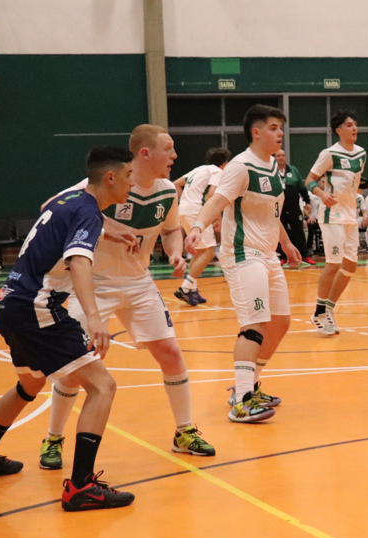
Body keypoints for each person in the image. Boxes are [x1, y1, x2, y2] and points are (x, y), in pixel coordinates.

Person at [0, 146, 137, 512]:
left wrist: (109, 235)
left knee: (30, 382)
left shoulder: (70, 199)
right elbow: (77, 261)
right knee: (103, 386)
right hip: (37, 307)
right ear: (110, 177)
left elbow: (58, 226)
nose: (131, 183)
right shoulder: (89, 212)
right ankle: (81, 486)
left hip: (9, 303)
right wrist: (92, 316)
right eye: (128, 176)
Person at [39, 125, 214, 467]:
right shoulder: (109, 182)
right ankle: (53, 438)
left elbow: (170, 230)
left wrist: (176, 253)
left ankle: (184, 431)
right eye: (169, 149)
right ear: (144, 154)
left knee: (171, 354)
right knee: (76, 366)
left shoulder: (166, 191)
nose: (175, 156)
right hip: (93, 284)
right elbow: (51, 207)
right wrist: (110, 229)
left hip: (138, 282)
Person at [185, 104, 302, 422]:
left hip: (268, 255)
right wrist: (198, 226)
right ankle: (241, 399)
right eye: (274, 127)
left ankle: (250, 384)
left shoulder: (274, 167)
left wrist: (287, 243)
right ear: (256, 132)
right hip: (242, 255)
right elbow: (217, 201)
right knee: (254, 325)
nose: (280, 133)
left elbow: (271, 213)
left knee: (280, 323)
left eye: (281, 128)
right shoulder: (240, 167)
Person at [305, 111, 368, 335]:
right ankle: (318, 311)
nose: (354, 128)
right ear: (338, 130)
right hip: (331, 214)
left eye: (355, 124)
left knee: (350, 266)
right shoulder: (329, 153)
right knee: (333, 264)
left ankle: (329, 309)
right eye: (348, 125)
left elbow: (357, 182)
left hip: (349, 215)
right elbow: (309, 180)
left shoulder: (361, 153)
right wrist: (321, 194)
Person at [173, 148, 232, 305]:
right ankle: (185, 288)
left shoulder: (198, 169)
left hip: (183, 210)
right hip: (196, 211)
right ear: (225, 163)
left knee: (198, 252)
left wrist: (186, 200)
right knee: (208, 252)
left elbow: (176, 184)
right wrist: (216, 217)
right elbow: (211, 195)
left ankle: (193, 290)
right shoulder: (218, 172)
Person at [276, 149, 314, 265]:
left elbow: (302, 188)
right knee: (280, 233)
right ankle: (282, 257)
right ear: (275, 158)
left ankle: (304, 256)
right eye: (278, 156)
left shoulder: (293, 170)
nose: (281, 158)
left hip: (294, 208)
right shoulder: (271, 171)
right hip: (279, 208)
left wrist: (307, 201)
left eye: (283, 155)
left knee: (299, 232)